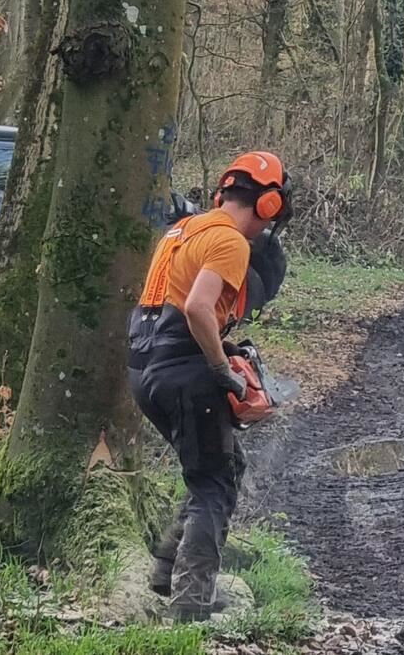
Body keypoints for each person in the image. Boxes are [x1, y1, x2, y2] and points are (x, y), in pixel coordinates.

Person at [127, 151, 293, 622]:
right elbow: (199, 308)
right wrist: (223, 370)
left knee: (217, 466)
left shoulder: (184, 229)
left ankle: (167, 569)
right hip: (185, 371)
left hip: (143, 368)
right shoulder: (231, 242)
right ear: (267, 205)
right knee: (213, 486)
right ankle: (191, 604)